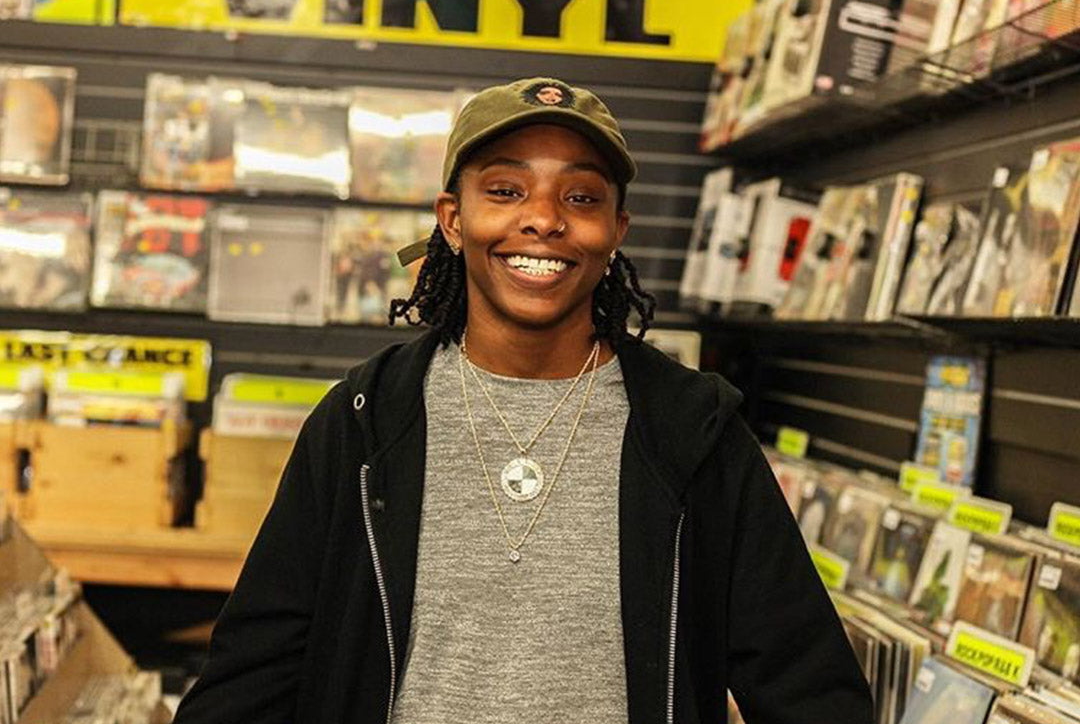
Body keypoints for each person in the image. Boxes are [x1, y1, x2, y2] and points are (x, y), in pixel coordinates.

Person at [174, 76, 874, 724]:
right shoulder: (365, 422)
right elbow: (249, 679)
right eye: (506, 191)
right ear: (451, 218)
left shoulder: (692, 430)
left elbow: (810, 690)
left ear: (616, 230)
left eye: (580, 197)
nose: (542, 219)